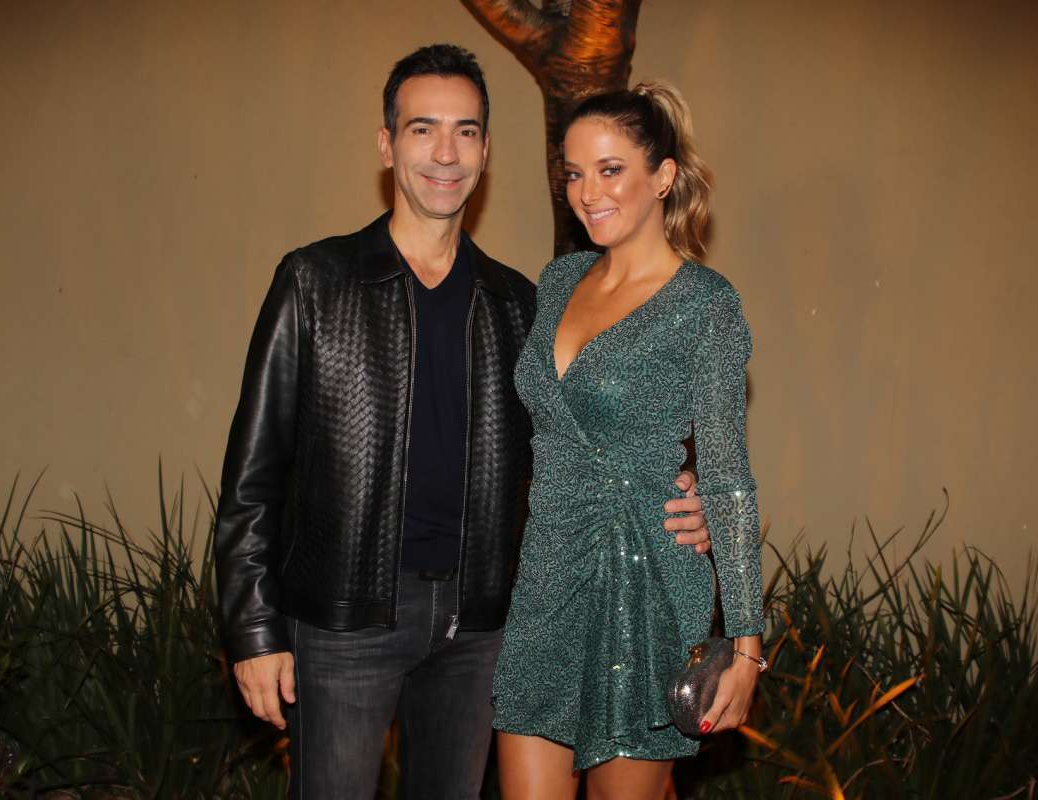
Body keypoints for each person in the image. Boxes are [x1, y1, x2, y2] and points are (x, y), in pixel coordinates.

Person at [214, 46, 713, 800]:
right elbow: (252, 480)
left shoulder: (521, 306)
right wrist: (254, 631)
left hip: (480, 626)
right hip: (345, 621)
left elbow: (583, 446)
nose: (446, 153)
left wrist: (677, 497)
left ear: (486, 151)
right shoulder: (315, 283)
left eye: (467, 131)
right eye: (423, 129)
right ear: (387, 146)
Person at [492, 81, 766, 799]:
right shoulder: (559, 280)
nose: (588, 193)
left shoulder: (705, 305)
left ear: (663, 177)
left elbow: (728, 478)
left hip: (644, 584)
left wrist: (746, 649)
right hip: (546, 576)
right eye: (574, 173)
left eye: (610, 170)